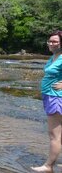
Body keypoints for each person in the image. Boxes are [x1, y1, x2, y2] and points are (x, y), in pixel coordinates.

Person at [31, 31, 62, 173]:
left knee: (54, 135)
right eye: (50, 41)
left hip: (56, 97)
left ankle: (48, 166)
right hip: (49, 96)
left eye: (54, 41)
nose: (51, 43)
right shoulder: (54, 56)